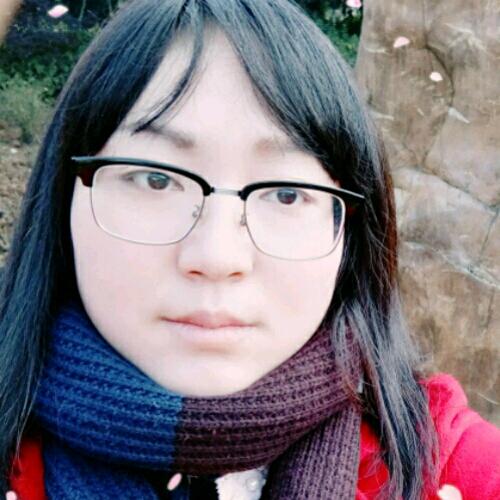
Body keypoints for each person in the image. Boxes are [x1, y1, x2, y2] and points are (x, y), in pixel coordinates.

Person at [0, 0, 498, 499]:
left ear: (350, 231)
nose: (217, 258)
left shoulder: (453, 466)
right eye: (156, 180)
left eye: (286, 194)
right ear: (63, 196)